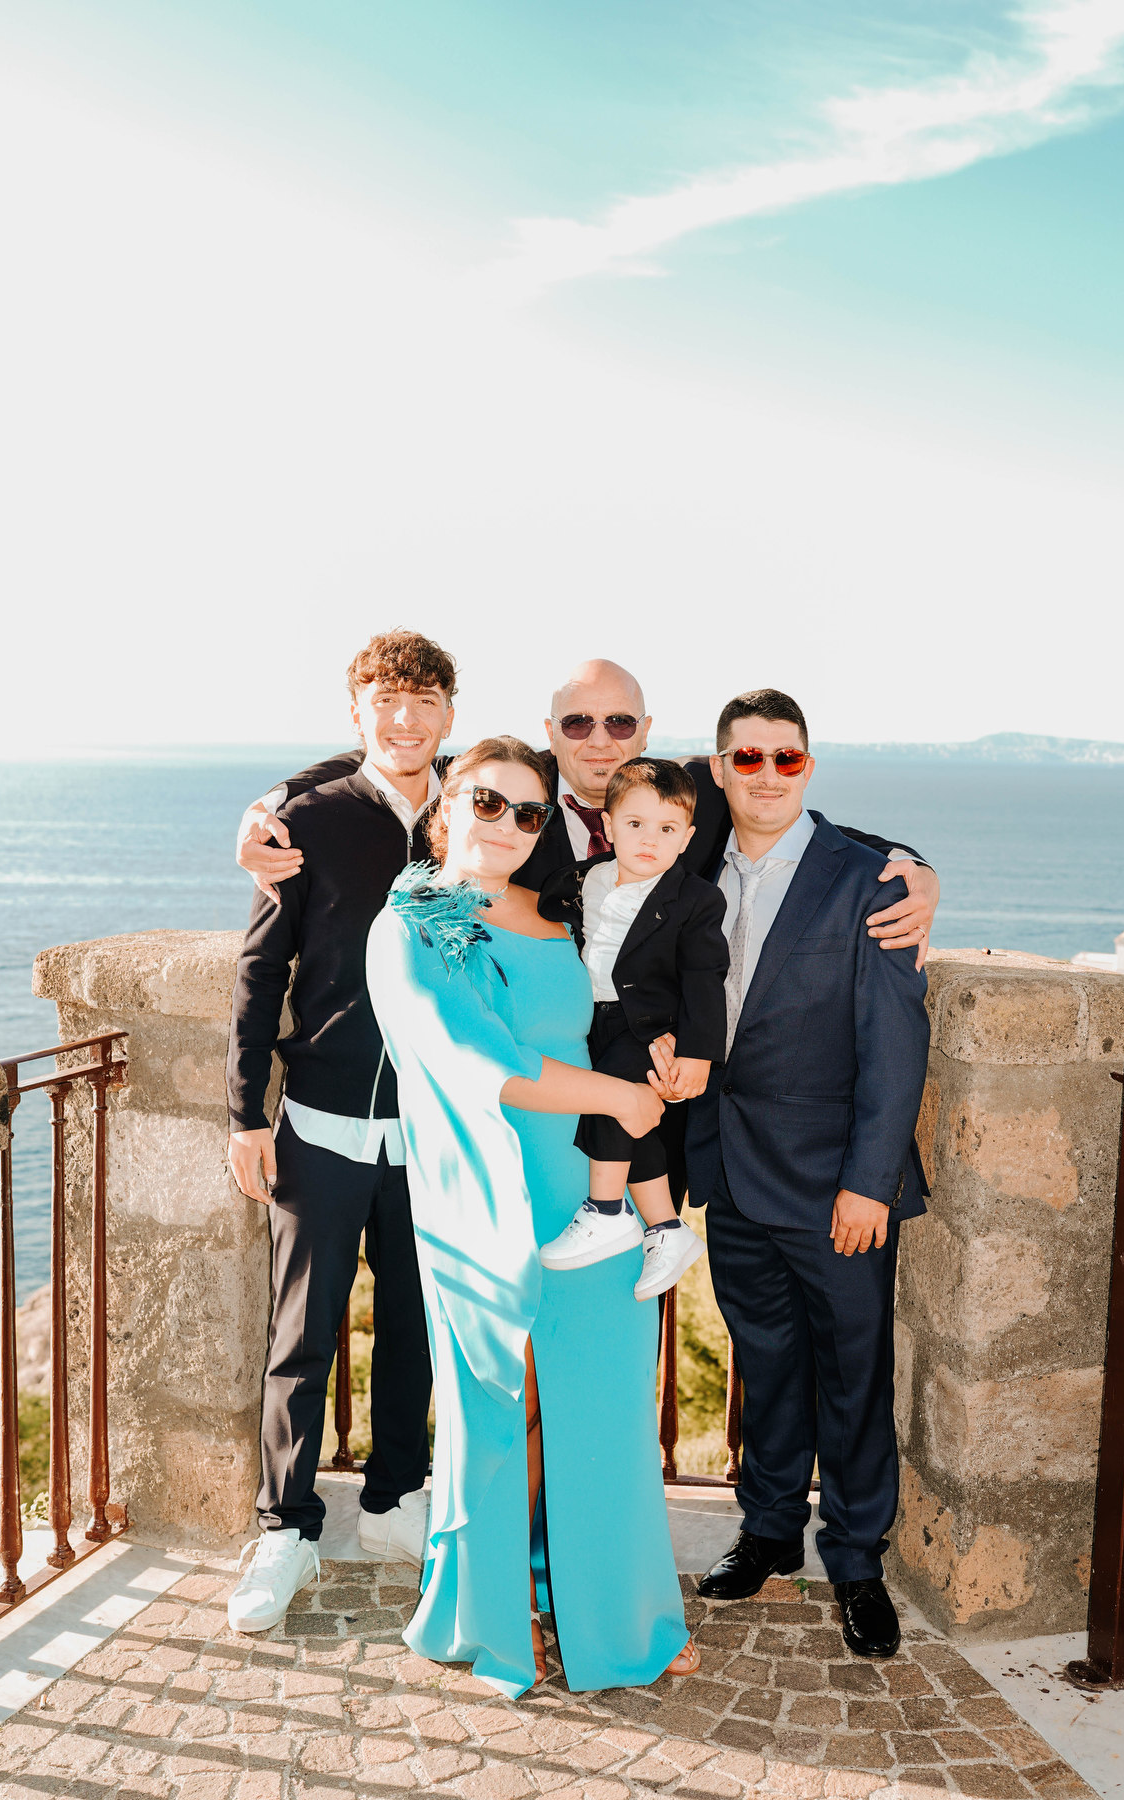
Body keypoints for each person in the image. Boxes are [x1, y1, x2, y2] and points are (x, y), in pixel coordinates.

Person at [233, 657, 942, 1211]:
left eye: (619, 723)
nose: (600, 741)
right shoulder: (515, 796)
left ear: (646, 730)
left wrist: (911, 864)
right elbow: (401, 756)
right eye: (577, 724)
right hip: (533, 1116)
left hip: (651, 1116)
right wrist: (273, 800)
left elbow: (788, 815)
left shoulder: (689, 792)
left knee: (630, 1301)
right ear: (551, 733)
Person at [367, 737, 697, 1697]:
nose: (507, 825)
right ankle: (498, 1612)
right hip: (488, 1194)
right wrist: (619, 1097)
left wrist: (657, 1055)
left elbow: (611, 1011)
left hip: (597, 1194)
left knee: (599, 1404)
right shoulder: (408, 925)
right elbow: (484, 1060)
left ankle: (614, 1615)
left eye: (527, 812)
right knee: (501, 1406)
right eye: (486, 802)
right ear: (444, 806)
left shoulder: (559, 910)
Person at [681, 689, 931, 1661]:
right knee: (768, 1364)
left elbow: (895, 1046)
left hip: (838, 1192)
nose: (768, 775)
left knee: (854, 1377)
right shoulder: (692, 869)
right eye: (747, 758)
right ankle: (771, 1531)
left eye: (786, 758)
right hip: (734, 1176)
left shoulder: (870, 880)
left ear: (808, 767)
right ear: (720, 769)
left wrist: (870, 1183)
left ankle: (858, 1560)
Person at [223, 629, 457, 1634]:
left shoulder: (473, 811)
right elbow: (260, 968)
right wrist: (246, 1112)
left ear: (450, 713)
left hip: (433, 1130)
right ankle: (287, 1528)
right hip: (319, 1124)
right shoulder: (308, 820)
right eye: (385, 702)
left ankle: (397, 1502)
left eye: (424, 702)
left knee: (414, 1326)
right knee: (302, 1337)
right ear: (357, 711)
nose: (404, 721)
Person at [536, 757, 726, 1300]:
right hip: (591, 1021)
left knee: (612, 1097)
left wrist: (697, 1054)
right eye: (636, 824)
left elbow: (706, 978)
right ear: (609, 824)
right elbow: (543, 908)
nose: (649, 839)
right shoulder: (583, 879)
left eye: (667, 829)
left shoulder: (695, 899)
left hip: (649, 1028)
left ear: (686, 838)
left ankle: (605, 1209)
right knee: (628, 1121)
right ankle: (666, 1228)